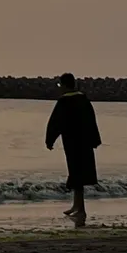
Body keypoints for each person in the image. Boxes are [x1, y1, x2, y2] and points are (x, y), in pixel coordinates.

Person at [45, 73, 102, 227]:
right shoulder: (83, 99)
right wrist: (95, 139)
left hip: (72, 142)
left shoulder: (64, 101)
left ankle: (80, 208)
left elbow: (55, 122)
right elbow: (92, 120)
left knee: (76, 173)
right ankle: (77, 206)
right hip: (85, 142)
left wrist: (49, 140)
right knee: (79, 174)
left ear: (64, 85)